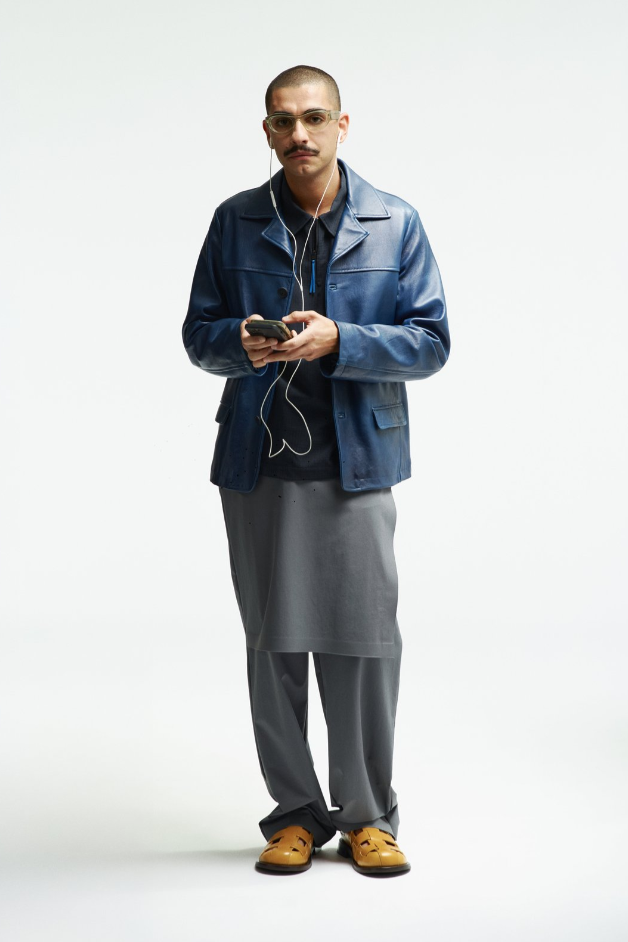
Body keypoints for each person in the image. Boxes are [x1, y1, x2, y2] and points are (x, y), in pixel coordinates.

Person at [182, 64, 449, 877]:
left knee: (364, 646)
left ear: (342, 124)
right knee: (272, 647)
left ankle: (368, 816)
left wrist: (344, 341)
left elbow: (431, 342)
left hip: (357, 462)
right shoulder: (234, 221)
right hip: (257, 462)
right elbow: (199, 334)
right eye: (283, 120)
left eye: (314, 117)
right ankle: (294, 815)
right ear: (267, 131)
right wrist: (240, 343)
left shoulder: (394, 221)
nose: (299, 133)